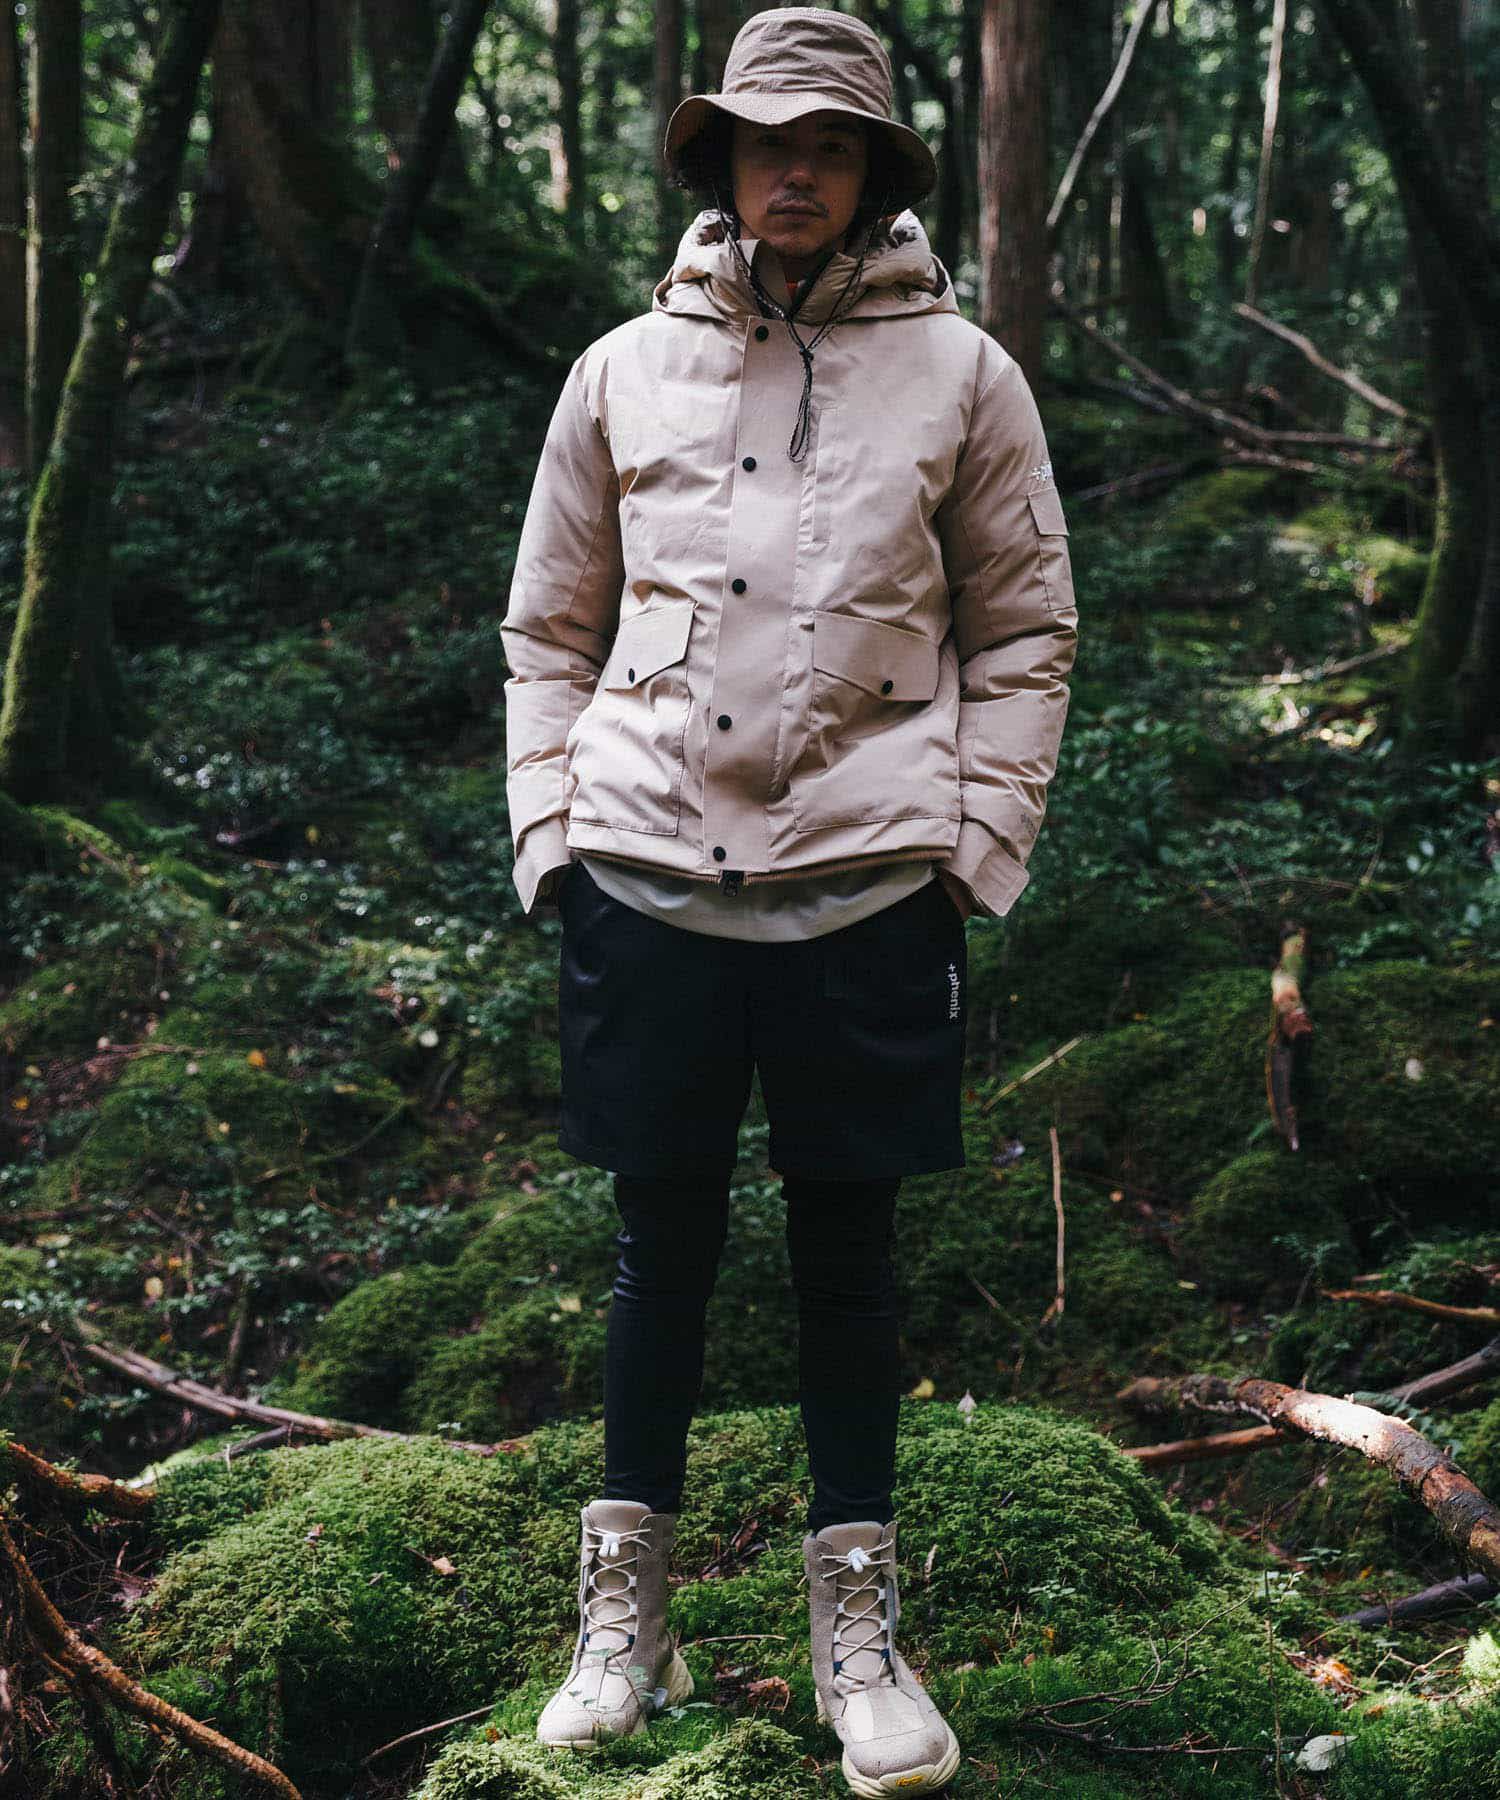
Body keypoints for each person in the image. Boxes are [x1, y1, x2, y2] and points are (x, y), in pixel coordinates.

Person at [500, 7, 1077, 1794]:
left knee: (850, 1262)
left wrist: (972, 852)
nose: (798, 172)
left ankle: (861, 1642)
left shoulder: (967, 376)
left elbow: (1028, 629)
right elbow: (548, 628)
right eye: (771, 143)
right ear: (724, 165)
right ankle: (628, 1624)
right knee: (654, 1252)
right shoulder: (619, 371)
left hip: (867, 894)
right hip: (646, 879)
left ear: (879, 172)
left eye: (831, 144)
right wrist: (551, 832)